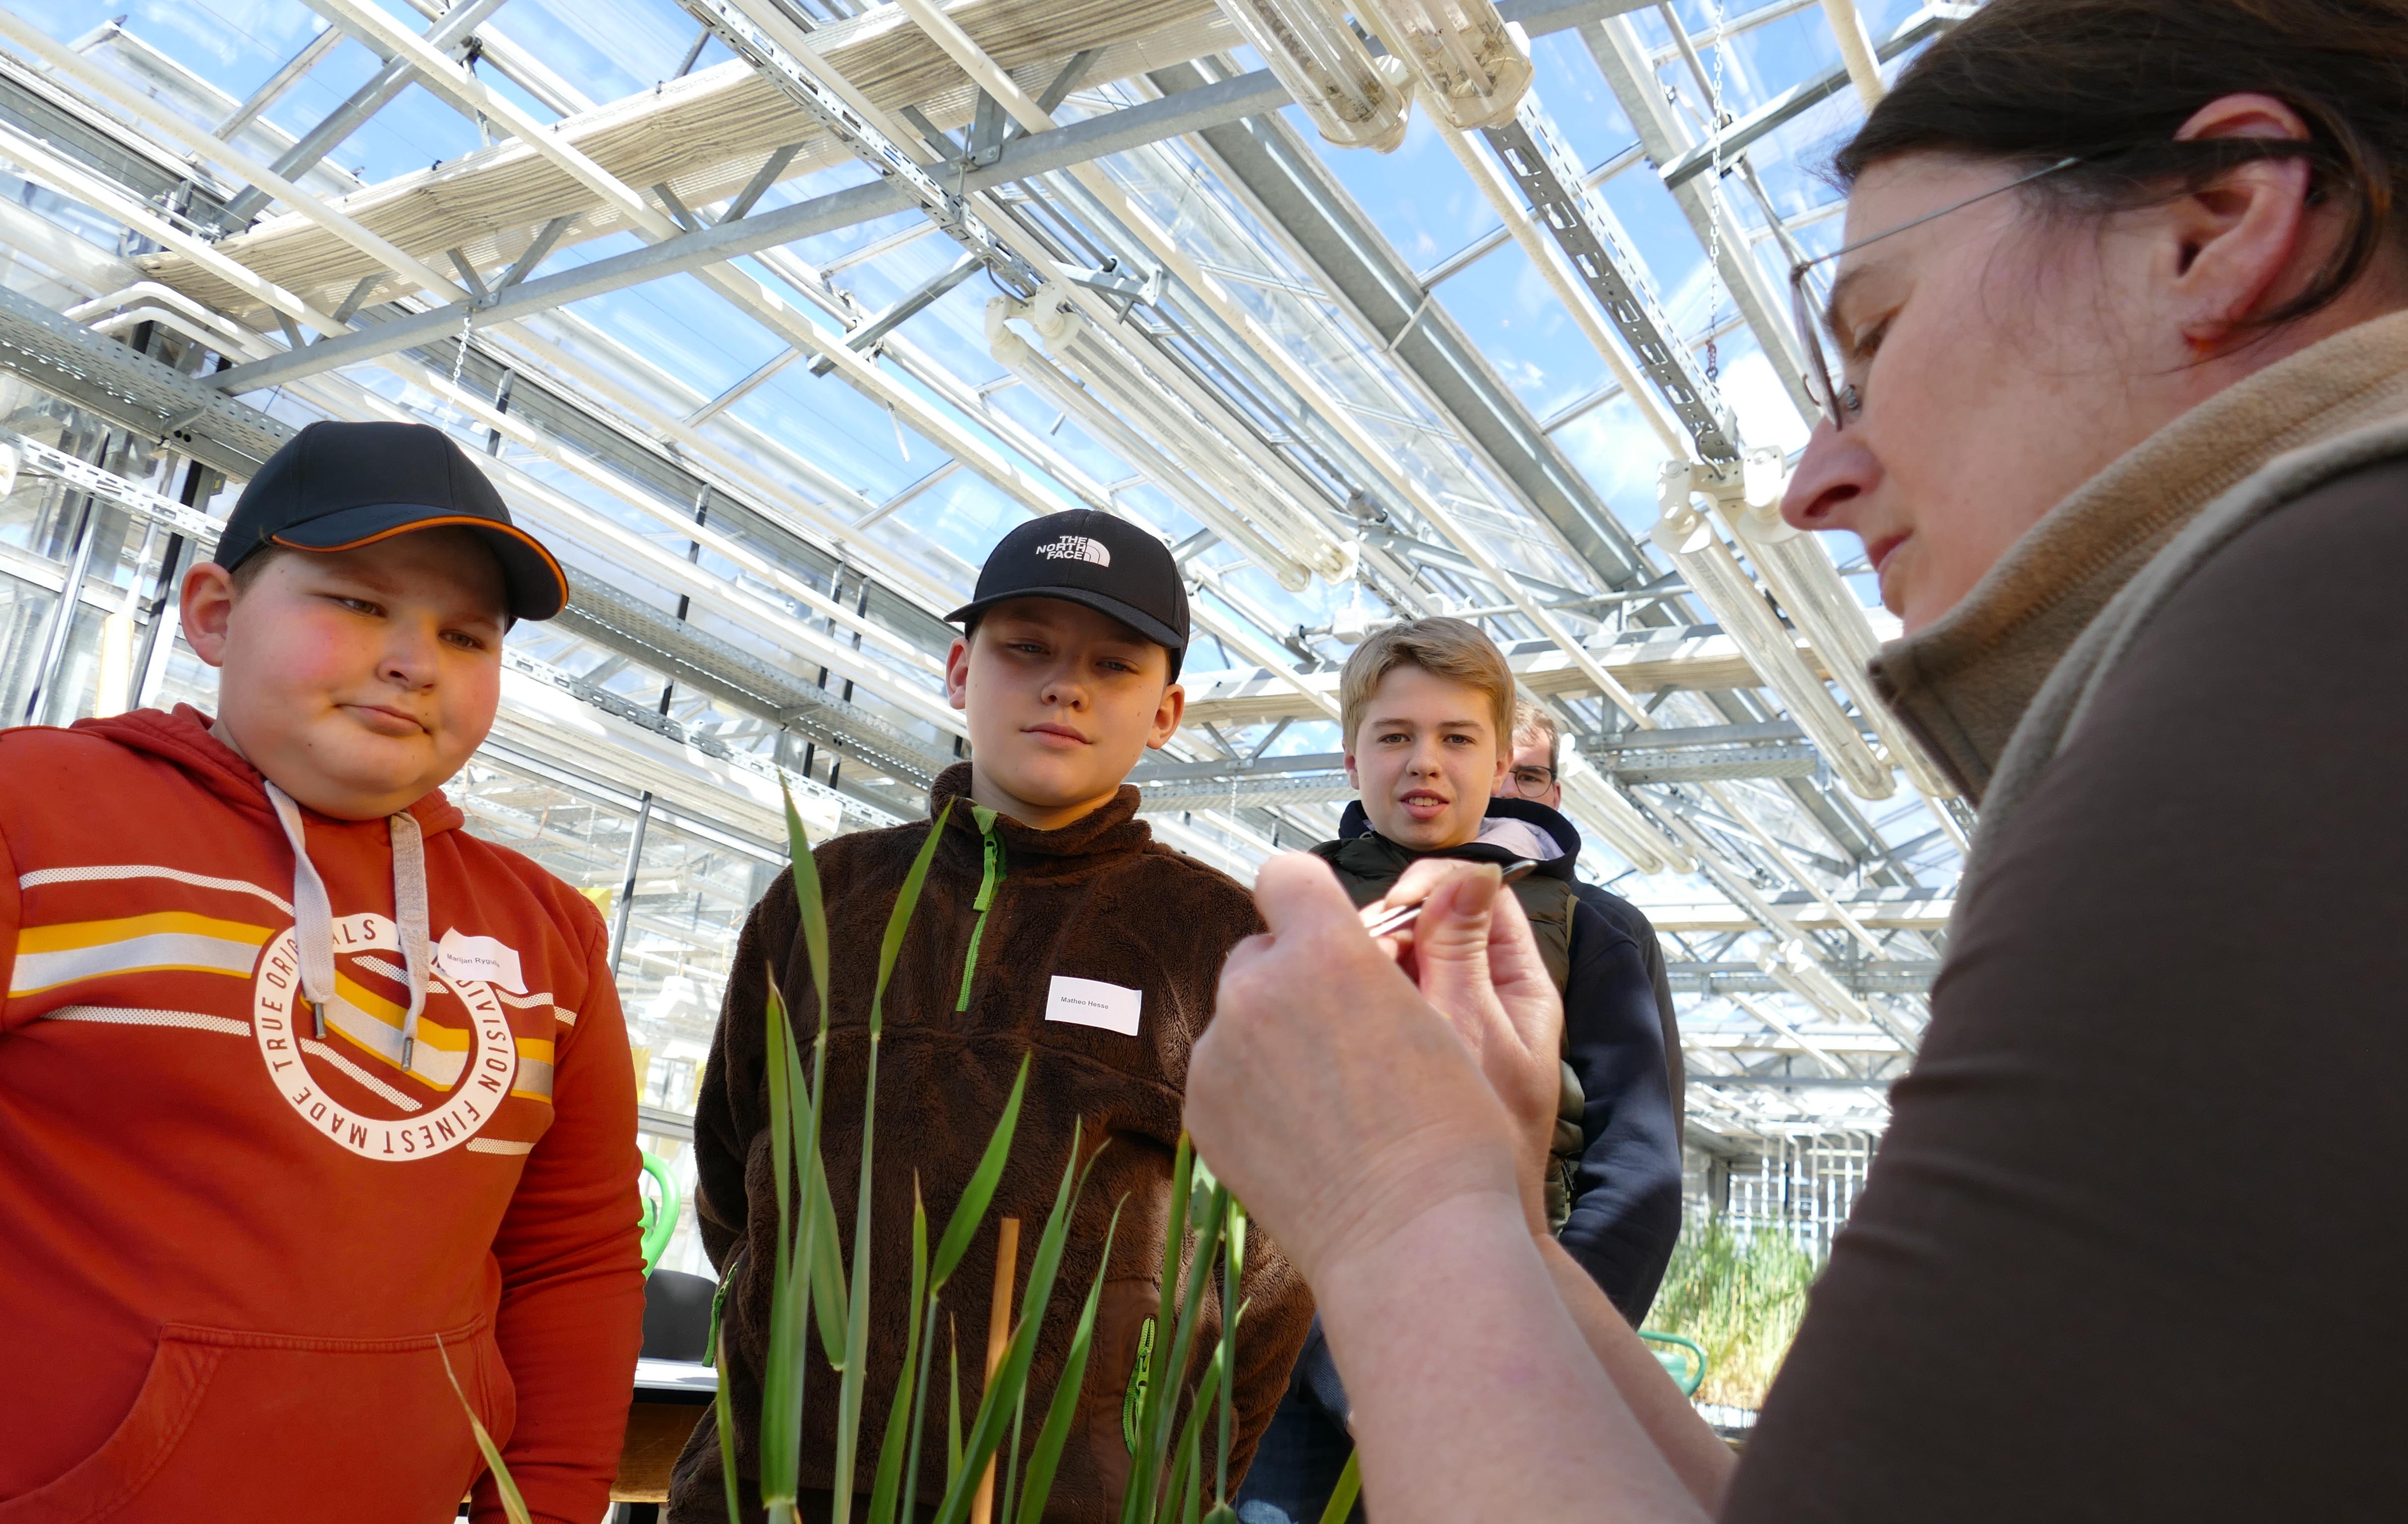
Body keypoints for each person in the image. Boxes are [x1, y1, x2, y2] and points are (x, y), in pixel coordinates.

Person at [1188, 0, 2408, 1519]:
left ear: (2210, 227)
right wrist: (1485, 1227)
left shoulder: (2302, 639)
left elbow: (1636, 1181)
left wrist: (1387, 1217)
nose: (1816, 483)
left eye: (1875, 337)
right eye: (1392, 736)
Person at [0, 421, 645, 1523]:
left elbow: (571, 1261)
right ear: (214, 615)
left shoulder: (550, 936)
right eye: (355, 603)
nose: (414, 660)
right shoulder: (39, 813)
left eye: (468, 636)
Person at [672, 510, 1314, 1523]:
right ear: (961, 670)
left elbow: (1269, 1274)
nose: (1065, 684)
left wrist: (1174, 1490)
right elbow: (732, 1178)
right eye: (1027, 648)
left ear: (1166, 712)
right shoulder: (824, 897)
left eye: (1113, 664)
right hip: (783, 1488)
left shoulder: (1219, 940)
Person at [1234, 622, 1679, 1524]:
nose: (1423, 762)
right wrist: (1342, 1361)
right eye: (1394, 735)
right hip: (1296, 1373)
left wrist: (1535, 1368)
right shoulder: (1286, 922)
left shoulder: (1589, 931)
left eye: (1457, 737)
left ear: (1499, 754)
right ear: (1351, 755)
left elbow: (1638, 1176)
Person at [1496, 701, 1681, 1130]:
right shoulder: (1406, 901)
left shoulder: (1615, 925)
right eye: (1494, 771)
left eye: (1528, 776)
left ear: (1555, 796)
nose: (1507, 791)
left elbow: (1652, 1107)